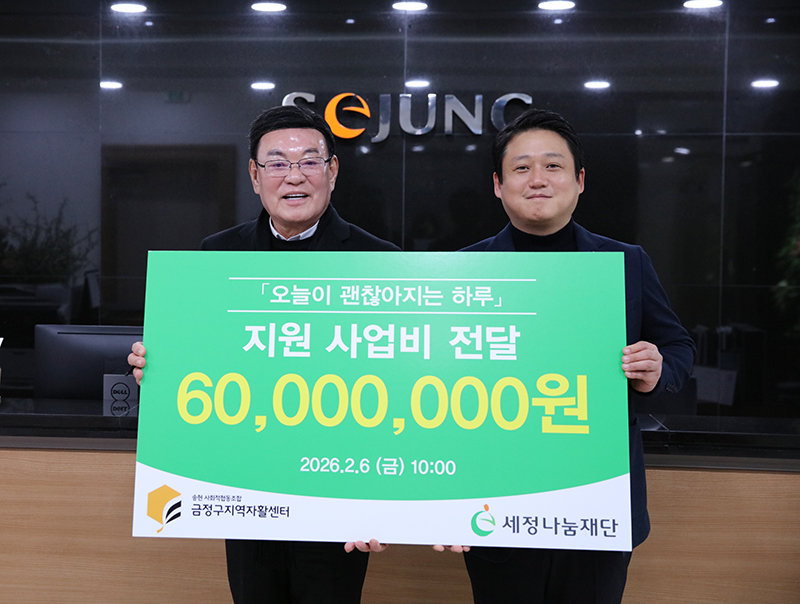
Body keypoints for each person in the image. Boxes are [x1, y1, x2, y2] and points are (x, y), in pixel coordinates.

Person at [128, 105, 398, 603]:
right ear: (254, 176)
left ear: (332, 171)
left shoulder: (379, 261)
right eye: (277, 163)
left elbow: (400, 385)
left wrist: (383, 505)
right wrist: (159, 368)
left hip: (338, 494)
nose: (294, 176)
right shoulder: (216, 257)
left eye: (310, 161)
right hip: (246, 487)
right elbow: (202, 364)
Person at [447, 108, 695, 603]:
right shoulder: (463, 270)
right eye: (521, 168)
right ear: (498, 185)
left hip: (596, 502)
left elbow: (679, 349)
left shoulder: (625, 262)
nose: (537, 179)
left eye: (553, 166)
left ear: (580, 180)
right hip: (497, 503)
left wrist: (657, 368)